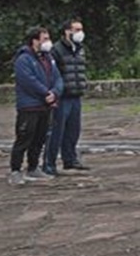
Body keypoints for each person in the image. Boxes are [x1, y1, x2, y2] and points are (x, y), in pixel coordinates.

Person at [9, 26, 63, 185]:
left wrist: (55, 92)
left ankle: (33, 167)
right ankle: (15, 170)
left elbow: (58, 78)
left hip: (45, 107)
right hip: (29, 107)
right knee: (24, 138)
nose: (48, 42)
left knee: (39, 139)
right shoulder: (23, 59)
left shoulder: (48, 58)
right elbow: (28, 81)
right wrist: (45, 94)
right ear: (35, 40)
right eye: (44, 39)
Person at [45, 18, 89, 174]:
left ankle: (70, 159)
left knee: (73, 130)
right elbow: (51, 73)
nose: (80, 33)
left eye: (81, 29)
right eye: (76, 29)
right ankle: (49, 164)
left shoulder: (80, 48)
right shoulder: (57, 50)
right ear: (67, 31)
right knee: (57, 131)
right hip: (62, 95)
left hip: (75, 93)